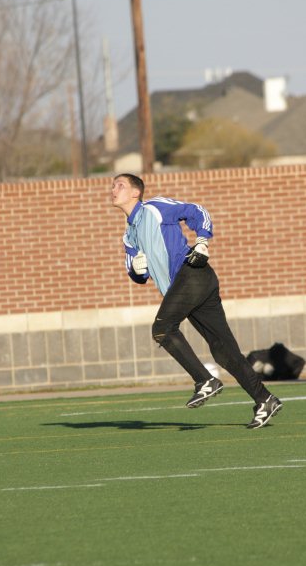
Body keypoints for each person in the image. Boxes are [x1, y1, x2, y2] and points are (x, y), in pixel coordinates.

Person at [111, 173, 283, 429]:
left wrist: (202, 240)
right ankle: (264, 399)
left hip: (192, 274)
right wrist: (136, 269)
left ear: (136, 192)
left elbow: (196, 211)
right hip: (186, 288)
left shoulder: (155, 207)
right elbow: (138, 275)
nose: (113, 189)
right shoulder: (129, 236)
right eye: (113, 185)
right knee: (224, 351)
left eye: (119, 185)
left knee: (162, 329)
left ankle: (205, 380)